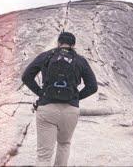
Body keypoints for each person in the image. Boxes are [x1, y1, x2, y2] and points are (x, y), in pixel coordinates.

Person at [22, 32, 98, 166]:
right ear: (73, 45)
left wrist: (41, 93)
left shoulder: (46, 56)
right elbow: (92, 86)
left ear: (58, 42)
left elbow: (26, 77)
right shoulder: (80, 60)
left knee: (44, 156)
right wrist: (75, 98)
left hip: (47, 109)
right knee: (64, 144)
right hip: (70, 111)